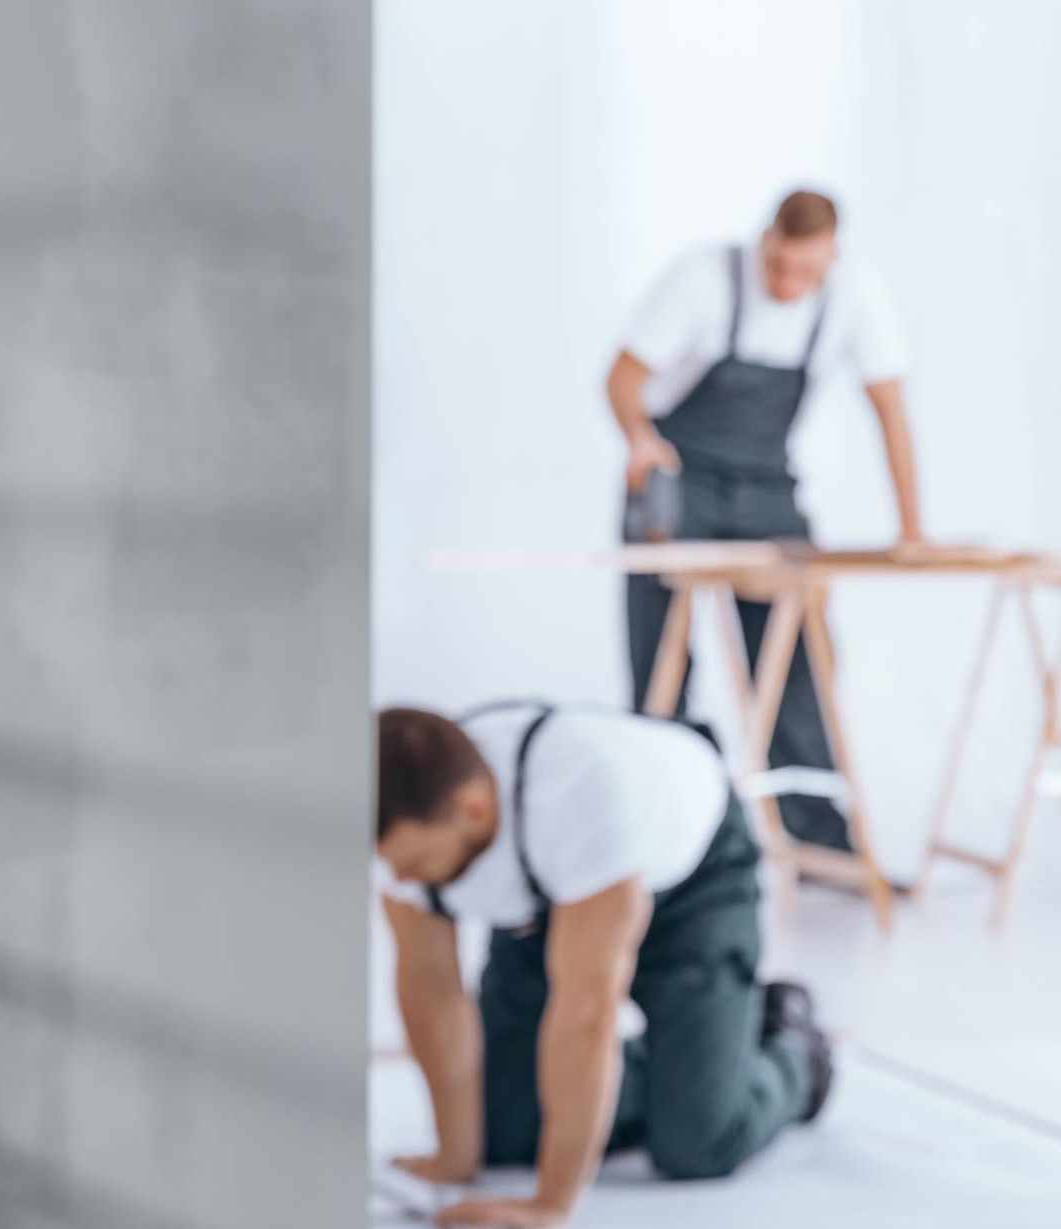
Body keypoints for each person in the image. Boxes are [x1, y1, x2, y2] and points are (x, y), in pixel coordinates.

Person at [376, 701, 832, 1228]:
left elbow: (587, 1014)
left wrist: (551, 1203)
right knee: (502, 1126)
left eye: (415, 865)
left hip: (692, 886)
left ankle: (792, 1046)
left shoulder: (581, 797)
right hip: (548, 903)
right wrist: (453, 1163)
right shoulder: (394, 830)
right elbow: (432, 996)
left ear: (474, 808)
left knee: (698, 1139)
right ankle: (679, 1066)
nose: (400, 878)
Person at [608, 189, 921, 854]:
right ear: (765, 239)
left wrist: (912, 529)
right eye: (778, 265)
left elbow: (891, 411)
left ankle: (821, 843)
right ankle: (664, 843)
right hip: (678, 475)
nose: (786, 284)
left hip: (766, 487)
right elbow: (623, 376)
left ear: (831, 258)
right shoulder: (705, 278)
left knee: (800, 657)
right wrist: (639, 436)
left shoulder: (855, 299)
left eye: (804, 272)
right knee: (658, 661)